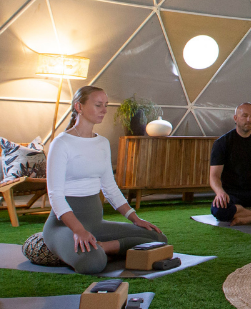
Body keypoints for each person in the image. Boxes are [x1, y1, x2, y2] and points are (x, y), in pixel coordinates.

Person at [42, 85, 165, 274]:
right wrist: (79, 231)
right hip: (63, 227)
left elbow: (110, 187)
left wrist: (134, 218)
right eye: (99, 105)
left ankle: (106, 247)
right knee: (92, 263)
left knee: (158, 238)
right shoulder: (61, 143)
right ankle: (99, 249)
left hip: (96, 224)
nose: (105, 110)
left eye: (106, 105)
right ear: (79, 107)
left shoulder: (102, 143)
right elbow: (55, 196)